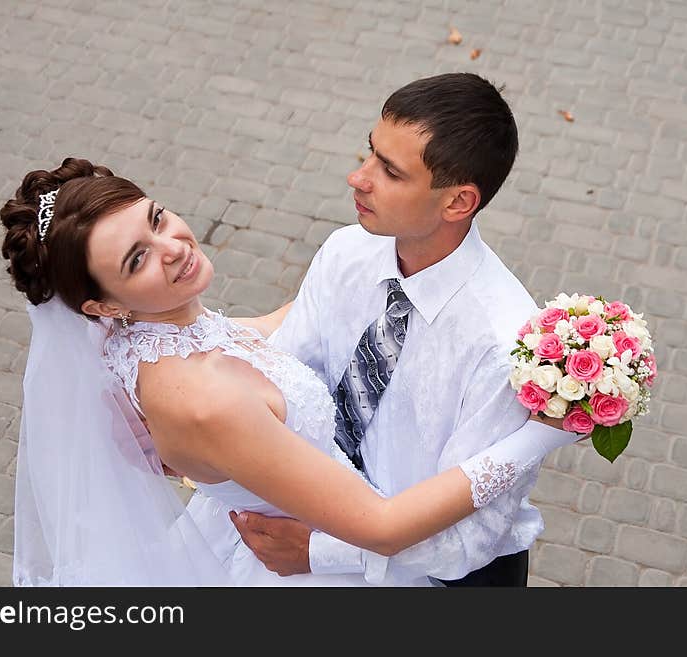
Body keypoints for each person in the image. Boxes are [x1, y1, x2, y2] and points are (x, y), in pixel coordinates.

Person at [2, 157, 580, 586]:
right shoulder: (204, 400)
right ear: (102, 306)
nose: (172, 246)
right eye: (137, 258)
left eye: (156, 219)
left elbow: (279, 327)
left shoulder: (157, 335)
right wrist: (542, 430)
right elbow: (382, 527)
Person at [231, 72, 568, 586]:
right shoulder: (347, 251)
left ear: (458, 202)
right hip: (316, 510)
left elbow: (470, 540)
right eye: (369, 153)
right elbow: (291, 372)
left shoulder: (504, 346)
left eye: (390, 171)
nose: (358, 178)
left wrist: (318, 552)